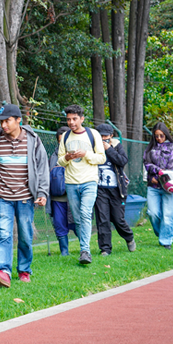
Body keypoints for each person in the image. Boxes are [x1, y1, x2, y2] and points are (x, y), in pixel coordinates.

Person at [0, 104, 49, 288]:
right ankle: (3, 272)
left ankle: (24, 270)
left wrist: (42, 192)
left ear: (18, 120)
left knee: (26, 235)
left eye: (7, 121)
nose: (3, 125)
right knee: (3, 234)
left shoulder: (33, 140)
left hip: (25, 197)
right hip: (2, 196)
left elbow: (43, 168)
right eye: (1, 121)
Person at [57, 104, 106, 265]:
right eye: (69, 119)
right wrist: (68, 158)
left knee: (85, 213)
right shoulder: (65, 136)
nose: (71, 122)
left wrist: (85, 154)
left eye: (74, 119)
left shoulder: (93, 134)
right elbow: (60, 161)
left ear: (82, 119)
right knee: (78, 218)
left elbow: (102, 158)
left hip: (89, 181)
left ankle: (85, 251)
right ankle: (84, 247)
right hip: (71, 183)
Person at [93, 123, 135, 255]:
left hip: (117, 189)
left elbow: (122, 161)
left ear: (111, 136)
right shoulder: (93, 148)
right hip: (100, 189)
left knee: (118, 219)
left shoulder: (117, 146)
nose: (103, 138)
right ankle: (105, 249)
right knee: (103, 219)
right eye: (100, 136)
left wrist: (109, 149)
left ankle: (129, 237)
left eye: (105, 136)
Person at [143, 122, 173, 249]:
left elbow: (172, 166)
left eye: (161, 136)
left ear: (166, 134)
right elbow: (147, 164)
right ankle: (162, 234)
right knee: (153, 213)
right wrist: (157, 172)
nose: (159, 138)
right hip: (153, 187)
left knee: (168, 214)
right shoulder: (150, 148)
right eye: (156, 136)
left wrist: (158, 176)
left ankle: (166, 241)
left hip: (170, 186)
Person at [47, 126, 76, 256]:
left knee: (77, 223)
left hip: (74, 196)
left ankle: (84, 249)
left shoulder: (78, 154)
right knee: (59, 224)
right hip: (57, 198)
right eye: (60, 141)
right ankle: (64, 251)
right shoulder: (53, 156)